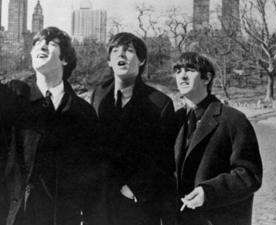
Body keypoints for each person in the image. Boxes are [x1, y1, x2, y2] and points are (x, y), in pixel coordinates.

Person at [0, 1, 101, 225]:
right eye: (37, 43)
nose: (42, 45)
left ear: (65, 59)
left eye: (51, 43)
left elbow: (91, 176)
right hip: (5, 213)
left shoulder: (82, 113)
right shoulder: (17, 94)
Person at [90, 32, 177, 225]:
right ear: (109, 62)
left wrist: (135, 188)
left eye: (129, 51)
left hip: (138, 207)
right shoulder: (98, 95)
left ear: (142, 60)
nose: (121, 55)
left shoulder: (160, 104)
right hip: (100, 205)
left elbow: (165, 160)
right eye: (115, 51)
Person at [173, 52, 263, 225]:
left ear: (207, 78)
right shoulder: (176, 120)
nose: (182, 76)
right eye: (178, 71)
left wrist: (208, 192)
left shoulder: (234, 119)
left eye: (190, 70)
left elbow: (250, 175)